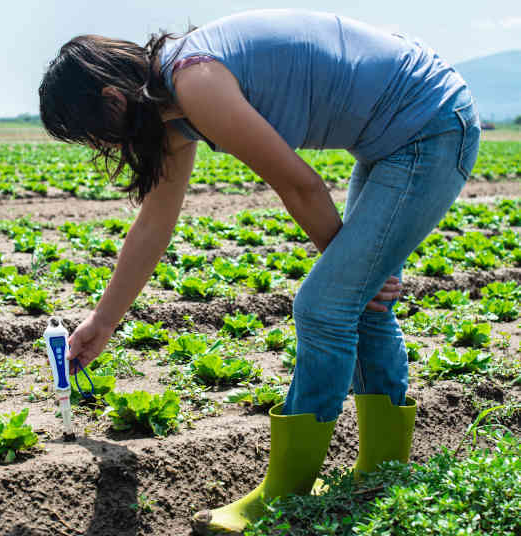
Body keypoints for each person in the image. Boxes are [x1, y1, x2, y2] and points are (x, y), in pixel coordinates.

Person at [39, 8, 480, 535]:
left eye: (95, 137)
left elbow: (301, 187)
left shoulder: (195, 81)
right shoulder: (173, 109)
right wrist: (102, 323)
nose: (104, 149)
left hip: (429, 127)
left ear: (112, 102)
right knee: (354, 301)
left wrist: (345, 264)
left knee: (324, 306)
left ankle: (284, 493)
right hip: (398, 135)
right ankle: (384, 476)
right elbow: (155, 222)